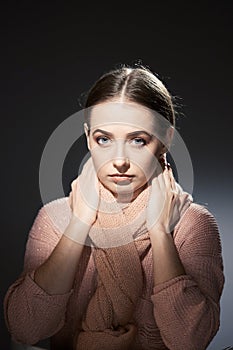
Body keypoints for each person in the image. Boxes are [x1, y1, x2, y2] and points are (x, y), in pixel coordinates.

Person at [4, 64, 224, 350]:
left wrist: (160, 232)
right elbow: (25, 328)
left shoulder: (193, 224)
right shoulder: (55, 217)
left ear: (166, 140)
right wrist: (79, 224)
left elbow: (191, 341)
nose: (119, 160)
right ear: (88, 138)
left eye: (137, 140)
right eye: (104, 139)